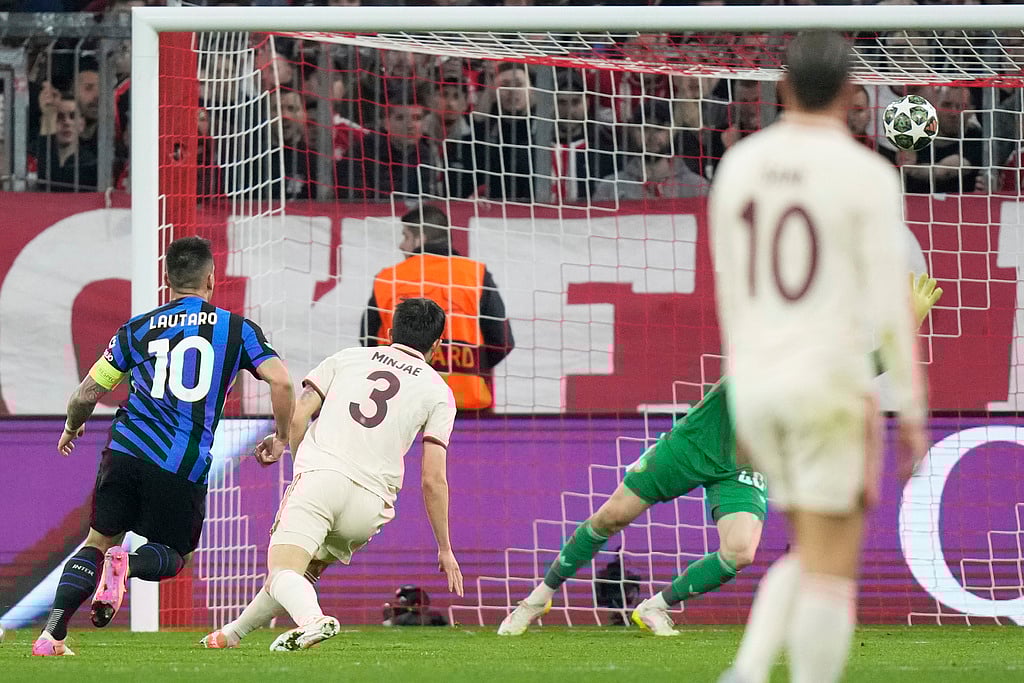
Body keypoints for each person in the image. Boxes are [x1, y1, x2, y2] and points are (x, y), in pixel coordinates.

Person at [498, 274, 941, 639]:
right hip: (693, 447)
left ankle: (656, 606)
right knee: (611, 517)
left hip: (743, 466)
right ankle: (539, 597)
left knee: (741, 551)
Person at [711, 33, 927, 683]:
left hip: (760, 385)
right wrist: (911, 406)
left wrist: (741, 396)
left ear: (781, 90)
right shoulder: (867, 175)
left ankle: (749, 668)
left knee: (810, 550)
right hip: (828, 382)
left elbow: (733, 293)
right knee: (833, 567)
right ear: (851, 97)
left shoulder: (740, 165)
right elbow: (890, 304)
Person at [33, 236, 295, 657]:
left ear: (166, 279)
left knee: (96, 542)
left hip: (125, 450)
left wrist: (71, 426)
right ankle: (129, 567)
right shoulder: (237, 329)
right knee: (174, 555)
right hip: (181, 460)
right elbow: (281, 381)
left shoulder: (135, 330)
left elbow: (85, 394)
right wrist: (282, 438)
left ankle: (51, 637)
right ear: (211, 279)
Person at [201, 298, 463, 651]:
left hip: (322, 479)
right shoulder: (439, 392)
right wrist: (444, 548)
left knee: (283, 573)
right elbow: (433, 478)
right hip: (370, 507)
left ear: (389, 333)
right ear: (437, 345)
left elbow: (298, 416)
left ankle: (314, 621)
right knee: (298, 575)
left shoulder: (348, 358)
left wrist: (291, 453)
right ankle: (230, 635)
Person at [360, 206, 514, 412]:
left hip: (402, 400)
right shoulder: (475, 274)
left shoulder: (389, 278)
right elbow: (502, 341)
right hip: (465, 401)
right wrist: (472, 365)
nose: (401, 245)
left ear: (420, 238)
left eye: (406, 236)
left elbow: (368, 340)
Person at [30, 93, 98, 192]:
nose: (66, 122)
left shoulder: (90, 163)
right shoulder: (30, 156)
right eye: (59, 117)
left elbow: (51, 182)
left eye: (73, 116)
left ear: (82, 124)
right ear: (43, 123)